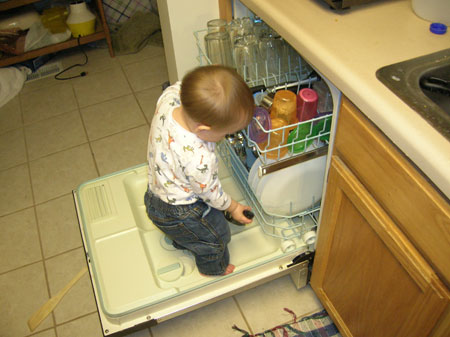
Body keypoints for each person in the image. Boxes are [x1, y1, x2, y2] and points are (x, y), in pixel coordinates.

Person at [144, 65, 255, 276]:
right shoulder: (199, 157)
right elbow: (211, 194)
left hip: (154, 194)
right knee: (217, 237)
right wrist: (233, 207)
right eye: (227, 133)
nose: (227, 137)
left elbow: (181, 87)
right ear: (203, 129)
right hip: (180, 213)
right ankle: (212, 268)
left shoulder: (169, 100)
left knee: (193, 231)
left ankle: (184, 239)